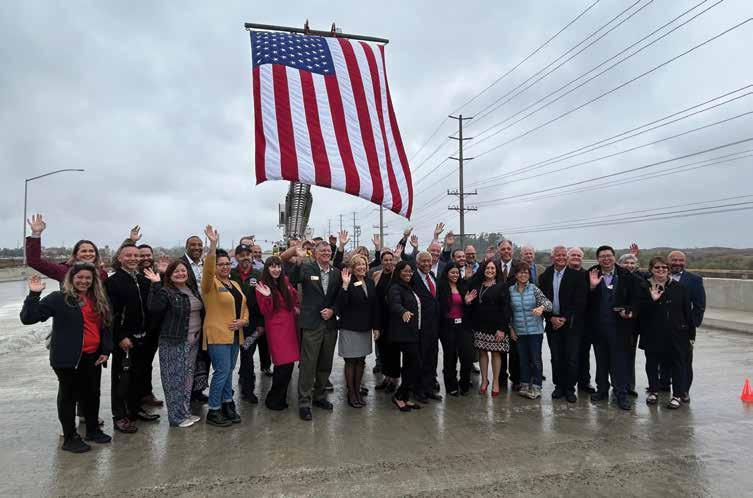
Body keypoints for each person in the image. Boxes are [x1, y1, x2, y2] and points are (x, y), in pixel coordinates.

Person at [20, 267, 112, 453]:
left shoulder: (98, 298)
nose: (84, 281)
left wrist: (106, 350)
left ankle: (93, 430)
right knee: (69, 396)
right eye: (80, 277)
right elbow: (28, 318)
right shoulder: (59, 298)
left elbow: (106, 326)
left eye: (88, 278)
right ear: (71, 278)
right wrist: (33, 294)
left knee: (92, 394)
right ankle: (70, 438)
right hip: (68, 358)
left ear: (93, 280)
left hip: (93, 355)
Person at [281, 240, 341, 421]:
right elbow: (291, 280)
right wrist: (299, 260)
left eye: (328, 250)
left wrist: (333, 310)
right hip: (311, 324)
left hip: (330, 325)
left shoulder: (336, 272)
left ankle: (319, 396)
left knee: (325, 363)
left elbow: (341, 296)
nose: (326, 253)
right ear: (315, 253)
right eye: (322, 250)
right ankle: (304, 402)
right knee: (308, 365)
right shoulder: (307, 268)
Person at [105, 241, 159, 434]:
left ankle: (135, 410)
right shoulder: (113, 282)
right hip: (124, 339)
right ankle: (120, 416)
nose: (133, 259)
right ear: (120, 258)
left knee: (138, 376)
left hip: (142, 336)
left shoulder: (143, 280)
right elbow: (111, 313)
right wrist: (120, 336)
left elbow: (150, 307)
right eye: (128, 255)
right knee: (122, 379)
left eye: (136, 256)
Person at [144, 260, 204, 428]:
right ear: (169, 275)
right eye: (176, 271)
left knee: (187, 379)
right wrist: (155, 284)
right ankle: (176, 417)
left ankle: (184, 411)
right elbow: (154, 308)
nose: (180, 274)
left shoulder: (191, 288)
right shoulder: (165, 291)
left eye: (183, 270)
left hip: (194, 341)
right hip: (174, 341)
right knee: (174, 381)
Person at [200, 226, 249, 427]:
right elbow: (208, 269)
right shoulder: (210, 284)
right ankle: (213, 409)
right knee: (221, 371)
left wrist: (244, 321)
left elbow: (244, 306)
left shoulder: (234, 284)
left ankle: (228, 403)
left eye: (228, 263)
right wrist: (213, 246)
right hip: (217, 334)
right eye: (221, 264)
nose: (225, 267)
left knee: (229, 371)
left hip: (235, 335)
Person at [587, 245, 642, 411]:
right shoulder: (591, 273)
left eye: (609, 256)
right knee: (601, 361)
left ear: (614, 257)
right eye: (602, 256)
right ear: (598, 259)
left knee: (619, 362)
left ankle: (621, 394)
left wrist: (630, 311)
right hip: (598, 327)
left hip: (620, 327)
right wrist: (592, 287)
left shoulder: (626, 275)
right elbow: (583, 299)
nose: (606, 259)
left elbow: (636, 298)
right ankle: (602, 390)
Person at [637, 256, 695, 409]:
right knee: (652, 364)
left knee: (677, 364)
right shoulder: (643, 286)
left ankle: (677, 395)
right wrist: (652, 300)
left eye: (664, 267)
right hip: (652, 333)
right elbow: (640, 311)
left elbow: (687, 312)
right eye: (657, 267)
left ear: (668, 270)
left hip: (676, 334)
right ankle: (653, 391)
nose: (661, 270)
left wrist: (691, 335)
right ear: (651, 269)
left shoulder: (680, 288)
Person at [539, 246, 588, 403]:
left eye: (563, 255)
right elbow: (541, 299)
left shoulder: (577, 276)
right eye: (557, 255)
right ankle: (559, 386)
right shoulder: (545, 275)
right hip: (552, 323)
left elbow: (580, 301)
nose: (560, 257)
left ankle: (569, 388)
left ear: (567, 257)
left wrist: (564, 318)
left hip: (571, 324)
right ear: (552, 258)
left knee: (571, 358)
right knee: (556, 357)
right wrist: (550, 318)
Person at [255, 256, 300, 411]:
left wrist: (297, 308)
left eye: (278, 266)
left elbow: (294, 297)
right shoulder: (262, 285)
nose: (276, 269)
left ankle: (280, 397)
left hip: (289, 327)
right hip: (276, 329)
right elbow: (265, 311)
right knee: (282, 365)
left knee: (289, 365)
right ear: (267, 268)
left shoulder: (284, 281)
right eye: (272, 266)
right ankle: (273, 399)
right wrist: (267, 297)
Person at [337, 255, 380, 408]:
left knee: (361, 360)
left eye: (363, 264)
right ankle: (351, 393)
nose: (361, 267)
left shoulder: (369, 282)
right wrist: (345, 285)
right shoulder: (347, 281)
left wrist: (376, 327)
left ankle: (357, 390)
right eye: (358, 265)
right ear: (353, 268)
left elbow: (374, 306)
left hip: (365, 328)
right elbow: (340, 305)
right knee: (351, 361)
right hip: (350, 328)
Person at [467, 259, 511, 397]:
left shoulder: (502, 286)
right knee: (482, 353)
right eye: (487, 268)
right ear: (483, 270)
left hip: (496, 327)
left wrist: (502, 329)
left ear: (496, 271)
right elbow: (471, 304)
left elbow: (506, 309)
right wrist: (468, 302)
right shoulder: (477, 285)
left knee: (496, 353)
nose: (490, 271)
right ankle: (484, 380)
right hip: (480, 326)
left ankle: (496, 382)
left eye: (493, 268)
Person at [666, 250, 706, 402]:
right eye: (674, 260)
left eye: (680, 260)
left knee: (684, 361)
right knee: (663, 359)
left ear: (685, 262)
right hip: (662, 327)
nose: (677, 263)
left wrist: (691, 325)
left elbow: (699, 305)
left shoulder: (694, 280)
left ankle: (683, 391)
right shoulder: (659, 275)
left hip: (683, 328)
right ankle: (664, 386)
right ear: (668, 261)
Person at [509, 263, 552, 400]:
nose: (523, 275)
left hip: (535, 331)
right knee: (523, 360)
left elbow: (549, 304)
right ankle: (525, 385)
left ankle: (537, 387)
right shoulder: (510, 290)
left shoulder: (534, 289)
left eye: (526, 272)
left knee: (535, 360)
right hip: (519, 331)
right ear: (516, 275)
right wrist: (511, 329)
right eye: (520, 272)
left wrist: (541, 308)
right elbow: (508, 312)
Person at [25, 214, 109, 284]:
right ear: (75, 254)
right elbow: (34, 261)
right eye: (83, 251)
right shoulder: (64, 271)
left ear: (96, 254)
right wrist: (36, 234)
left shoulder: (102, 274)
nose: (88, 254)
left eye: (91, 251)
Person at [388, 261, 423, 411]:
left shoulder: (410, 287)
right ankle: (399, 395)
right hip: (403, 333)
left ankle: (404, 396)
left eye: (410, 271)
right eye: (405, 271)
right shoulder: (395, 287)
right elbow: (394, 304)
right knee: (415, 364)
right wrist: (403, 311)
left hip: (414, 331)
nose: (408, 273)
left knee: (411, 365)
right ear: (398, 272)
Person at [230, 243, 264, 404]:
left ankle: (248, 390)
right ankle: (227, 389)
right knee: (229, 359)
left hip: (252, 325)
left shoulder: (259, 275)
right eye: (242, 255)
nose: (245, 258)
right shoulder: (230, 274)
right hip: (233, 323)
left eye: (248, 255)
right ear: (236, 257)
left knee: (247, 355)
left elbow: (264, 300)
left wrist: (261, 324)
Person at [408, 251, 442, 403]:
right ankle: (418, 390)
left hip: (433, 327)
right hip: (420, 326)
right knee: (419, 359)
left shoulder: (432, 276)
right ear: (417, 263)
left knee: (431, 358)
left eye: (429, 261)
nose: (427, 263)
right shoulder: (413, 278)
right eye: (423, 261)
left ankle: (429, 388)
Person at [181, 235, 211, 403]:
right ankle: (187, 392)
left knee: (204, 355)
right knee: (190, 357)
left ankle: (198, 390)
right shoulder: (181, 264)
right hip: (190, 318)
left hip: (208, 316)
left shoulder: (206, 264)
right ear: (186, 246)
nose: (197, 247)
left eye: (199, 245)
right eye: (193, 245)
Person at [437, 262, 474, 396]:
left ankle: (464, 383)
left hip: (463, 325)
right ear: (447, 273)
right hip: (447, 326)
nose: (455, 275)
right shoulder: (441, 287)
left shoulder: (463, 285)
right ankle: (451, 385)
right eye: (452, 272)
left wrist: (467, 302)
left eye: (457, 273)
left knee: (467, 356)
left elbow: (468, 306)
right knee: (450, 357)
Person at [568, 246, 596, 394]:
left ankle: (584, 382)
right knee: (571, 356)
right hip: (568, 321)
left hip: (585, 321)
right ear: (568, 257)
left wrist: (592, 287)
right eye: (573, 255)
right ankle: (569, 385)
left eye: (579, 256)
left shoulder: (588, 275)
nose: (576, 257)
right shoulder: (564, 274)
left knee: (584, 354)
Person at [373, 249, 401, 393]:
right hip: (380, 318)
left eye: (391, 260)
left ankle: (394, 379)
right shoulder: (376, 275)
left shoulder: (398, 275)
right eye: (386, 260)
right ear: (381, 261)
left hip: (394, 319)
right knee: (382, 350)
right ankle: (386, 377)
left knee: (393, 351)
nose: (388, 262)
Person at [617, 252, 643, 398]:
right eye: (626, 263)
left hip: (633, 325)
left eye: (632, 263)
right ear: (619, 264)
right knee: (615, 356)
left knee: (629, 356)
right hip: (616, 322)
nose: (629, 265)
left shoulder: (641, 278)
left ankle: (629, 385)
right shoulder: (615, 277)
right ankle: (616, 384)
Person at [497, 239, 521, 390]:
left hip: (515, 312)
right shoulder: (493, 265)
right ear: (499, 250)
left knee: (515, 349)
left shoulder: (520, 266)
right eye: (503, 249)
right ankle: (501, 378)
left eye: (508, 249)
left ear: (512, 250)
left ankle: (516, 378)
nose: (506, 251)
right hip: (498, 313)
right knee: (499, 348)